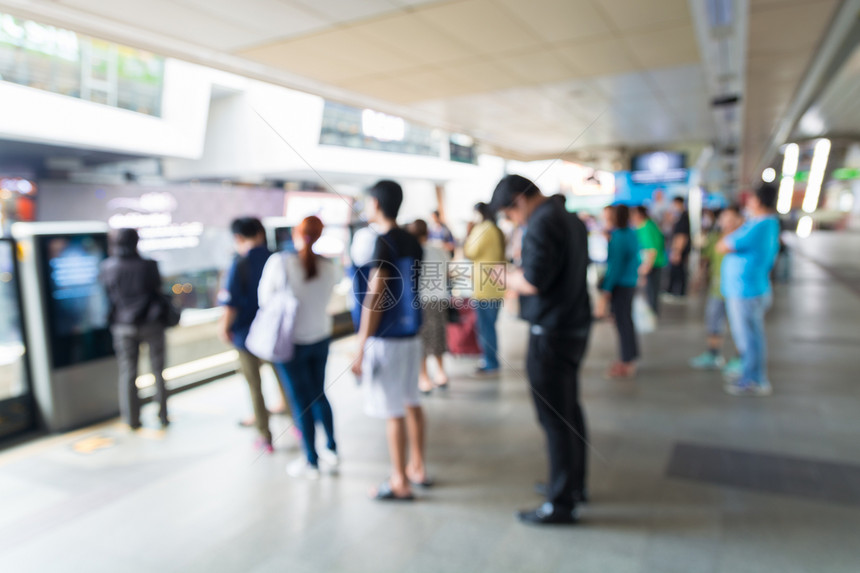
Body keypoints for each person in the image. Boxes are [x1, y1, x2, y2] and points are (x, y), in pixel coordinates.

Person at [490, 174, 591, 525]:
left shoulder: (542, 223)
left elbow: (532, 280)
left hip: (551, 331)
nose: (512, 220)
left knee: (554, 418)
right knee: (570, 410)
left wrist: (497, 276)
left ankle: (560, 502)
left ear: (519, 200)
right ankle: (573, 484)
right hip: (574, 324)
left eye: (509, 213)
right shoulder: (570, 218)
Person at [351, 180, 429, 501]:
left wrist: (359, 345)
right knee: (412, 401)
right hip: (412, 337)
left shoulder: (383, 242)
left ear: (376, 204)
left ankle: (399, 480)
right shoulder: (413, 241)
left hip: (387, 340)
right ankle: (417, 466)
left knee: (392, 409)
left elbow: (375, 297)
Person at [260, 216, 339, 479]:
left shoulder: (279, 263)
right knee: (319, 394)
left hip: (290, 343)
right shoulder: (329, 266)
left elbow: (265, 300)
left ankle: (311, 460)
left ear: (296, 232)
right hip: (321, 337)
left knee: (299, 401)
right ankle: (331, 447)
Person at [218, 217, 291, 453]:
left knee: (254, 386)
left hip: (246, 334)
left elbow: (231, 304)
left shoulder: (238, 264)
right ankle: (298, 423)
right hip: (274, 332)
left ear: (237, 237)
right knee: (284, 378)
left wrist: (224, 328)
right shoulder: (277, 258)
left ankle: (265, 436)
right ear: (261, 233)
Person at [99, 228, 169, 430]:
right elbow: (157, 292)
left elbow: (107, 296)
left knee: (128, 372)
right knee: (158, 370)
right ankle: (163, 414)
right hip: (151, 324)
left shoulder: (108, 267)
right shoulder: (148, 265)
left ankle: (132, 419)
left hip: (122, 326)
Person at [717, 184, 781, 396]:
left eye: (751, 199)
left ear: (759, 201)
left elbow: (724, 245)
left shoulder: (760, 225)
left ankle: (754, 378)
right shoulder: (760, 223)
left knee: (749, 338)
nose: (748, 203)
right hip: (747, 288)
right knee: (749, 335)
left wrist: (729, 227)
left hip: (747, 290)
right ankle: (750, 372)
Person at [690, 206, 743, 370]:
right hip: (717, 289)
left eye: (730, 218)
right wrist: (698, 279)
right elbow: (705, 260)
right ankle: (713, 354)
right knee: (713, 322)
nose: (726, 222)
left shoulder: (743, 238)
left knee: (739, 325)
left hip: (738, 291)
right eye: (723, 218)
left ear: (739, 219)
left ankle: (740, 358)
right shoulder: (714, 238)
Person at [595, 205, 640, 379]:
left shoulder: (618, 237)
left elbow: (615, 266)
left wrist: (606, 289)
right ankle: (629, 357)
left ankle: (626, 361)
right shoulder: (630, 233)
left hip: (620, 284)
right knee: (626, 322)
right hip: (630, 282)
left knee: (622, 323)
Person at [463, 202, 506, 376]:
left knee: (485, 326)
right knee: (490, 324)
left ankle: (490, 361)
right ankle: (491, 359)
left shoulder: (482, 229)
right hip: (496, 282)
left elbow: (470, 251)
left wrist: (469, 232)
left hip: (484, 284)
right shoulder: (496, 229)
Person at [407, 219, 450, 393]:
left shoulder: (411, 252)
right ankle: (441, 373)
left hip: (421, 301)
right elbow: (448, 272)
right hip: (440, 299)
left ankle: (423, 377)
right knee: (438, 336)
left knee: (422, 340)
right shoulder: (438, 249)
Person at [630, 206, 667, 316]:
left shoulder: (647, 227)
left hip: (653, 263)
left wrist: (647, 265)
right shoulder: (643, 226)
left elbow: (651, 249)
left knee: (652, 291)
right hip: (650, 263)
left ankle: (652, 314)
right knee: (650, 290)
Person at [666, 196, 691, 297]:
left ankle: (678, 292)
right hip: (678, 249)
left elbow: (682, 236)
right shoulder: (679, 217)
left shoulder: (683, 217)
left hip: (680, 250)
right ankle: (677, 291)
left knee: (678, 271)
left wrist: (677, 251)